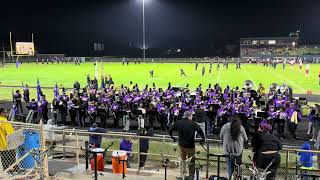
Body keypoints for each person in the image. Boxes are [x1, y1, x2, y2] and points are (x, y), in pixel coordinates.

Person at [169, 111, 205, 178]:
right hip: (190, 146)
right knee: (191, 162)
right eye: (191, 116)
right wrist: (203, 138)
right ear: (189, 116)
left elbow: (170, 129)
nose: (192, 117)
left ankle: (183, 175)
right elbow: (200, 130)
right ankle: (191, 176)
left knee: (182, 162)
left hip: (181, 146)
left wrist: (172, 137)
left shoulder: (178, 122)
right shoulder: (193, 123)